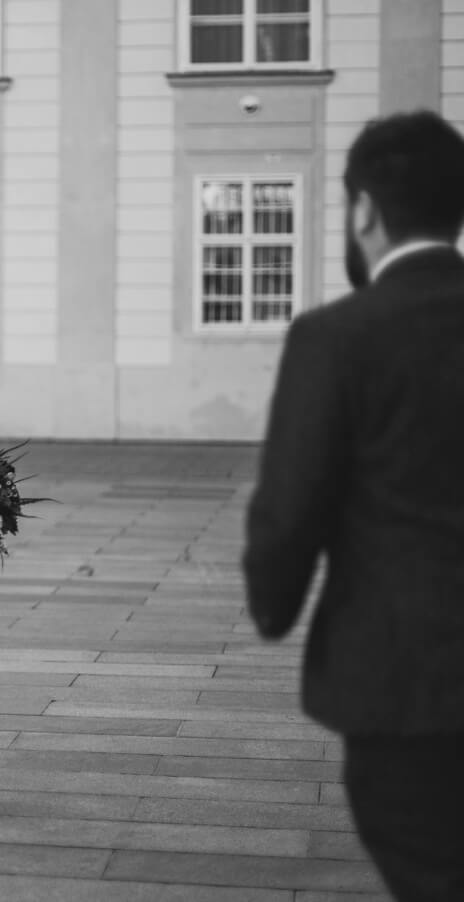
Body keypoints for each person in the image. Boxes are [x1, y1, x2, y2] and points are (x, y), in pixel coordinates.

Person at [243, 109, 464, 901]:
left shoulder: (338, 336)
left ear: (364, 209)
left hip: (403, 689)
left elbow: (289, 508)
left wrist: (273, 604)